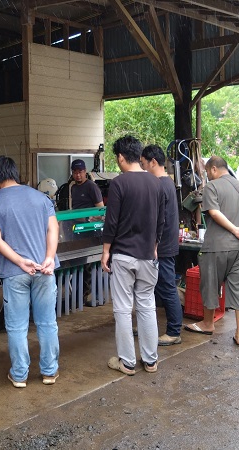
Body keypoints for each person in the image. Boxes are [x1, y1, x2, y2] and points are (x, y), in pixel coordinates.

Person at [0, 155, 60, 388]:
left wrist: (20, 261)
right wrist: (48, 258)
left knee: (17, 326)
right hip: (45, 270)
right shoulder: (41, 197)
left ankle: (19, 375)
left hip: (15, 273)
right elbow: (53, 229)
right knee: (47, 323)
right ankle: (49, 372)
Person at [101, 135, 164, 375]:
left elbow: (112, 222)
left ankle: (126, 362)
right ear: (139, 155)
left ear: (120, 157)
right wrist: (155, 245)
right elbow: (161, 220)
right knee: (147, 305)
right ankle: (150, 360)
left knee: (123, 308)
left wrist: (106, 251)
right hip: (148, 255)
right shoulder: (156, 182)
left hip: (124, 255)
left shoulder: (119, 183)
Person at [184, 156, 239, 346]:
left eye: (208, 172)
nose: (208, 176)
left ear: (214, 169)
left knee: (210, 285)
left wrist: (235, 230)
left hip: (216, 247)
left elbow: (214, 213)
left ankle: (208, 323)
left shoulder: (212, 187)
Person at [140, 145, 183, 346]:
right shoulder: (168, 183)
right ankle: (150, 327)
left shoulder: (160, 185)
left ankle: (174, 331)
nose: (142, 168)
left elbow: (160, 220)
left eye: (143, 164)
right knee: (155, 289)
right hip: (165, 245)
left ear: (153, 162)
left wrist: (155, 245)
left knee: (167, 289)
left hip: (163, 247)